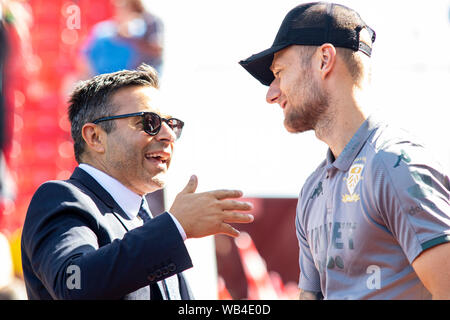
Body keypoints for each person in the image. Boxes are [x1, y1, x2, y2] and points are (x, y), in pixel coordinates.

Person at [239, 2, 450, 300]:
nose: (271, 94)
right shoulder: (313, 189)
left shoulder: (397, 166)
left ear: (324, 59)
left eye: (280, 72)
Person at [20, 64, 254, 300]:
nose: (168, 136)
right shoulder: (61, 199)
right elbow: (74, 283)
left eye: (171, 124)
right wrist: (175, 226)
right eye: (149, 122)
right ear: (95, 137)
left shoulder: (146, 223)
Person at [82, 0, 164, 75]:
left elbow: (157, 49)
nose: (119, 8)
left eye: (123, 5)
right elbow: (86, 56)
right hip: (105, 81)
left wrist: (128, 38)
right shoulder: (103, 30)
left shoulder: (148, 22)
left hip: (139, 77)